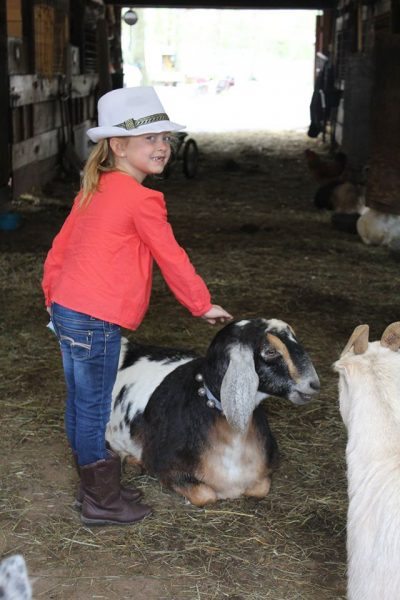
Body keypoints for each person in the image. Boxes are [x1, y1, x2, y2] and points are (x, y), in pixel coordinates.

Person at [41, 86, 233, 527]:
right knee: (93, 409)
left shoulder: (96, 187)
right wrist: (200, 304)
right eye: (150, 138)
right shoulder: (142, 199)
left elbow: (59, 250)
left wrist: (52, 299)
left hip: (69, 310)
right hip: (94, 319)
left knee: (80, 404)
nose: (162, 147)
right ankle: (101, 502)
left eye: (165, 138)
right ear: (118, 145)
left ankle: (97, 489)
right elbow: (171, 256)